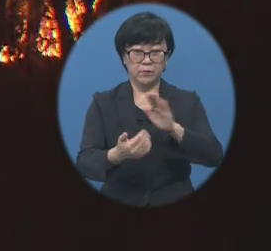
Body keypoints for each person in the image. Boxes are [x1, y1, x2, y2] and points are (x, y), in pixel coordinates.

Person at [75, 11, 224, 207]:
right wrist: (116, 155)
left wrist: (174, 129)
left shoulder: (187, 101)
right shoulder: (103, 103)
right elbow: (84, 162)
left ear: (167, 58)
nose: (146, 60)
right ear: (124, 58)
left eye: (155, 52)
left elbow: (214, 156)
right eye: (137, 52)